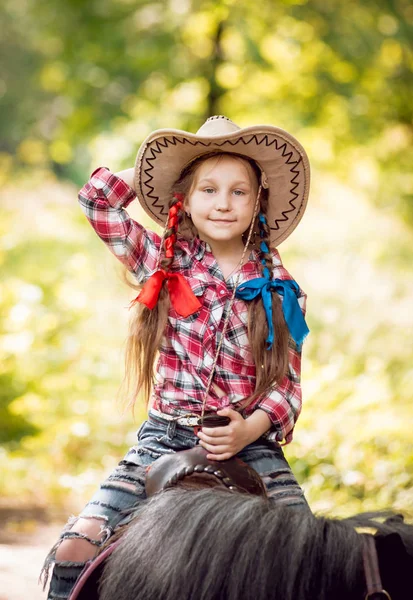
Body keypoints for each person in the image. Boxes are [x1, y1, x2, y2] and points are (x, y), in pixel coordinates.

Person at [40, 115, 311, 599]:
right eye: (208, 189)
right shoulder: (161, 260)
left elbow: (287, 387)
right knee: (74, 550)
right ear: (185, 197)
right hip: (163, 438)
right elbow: (96, 201)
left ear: (258, 204)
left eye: (238, 192)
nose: (223, 204)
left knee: (306, 558)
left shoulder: (281, 289)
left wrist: (250, 427)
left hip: (249, 444)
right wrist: (155, 172)